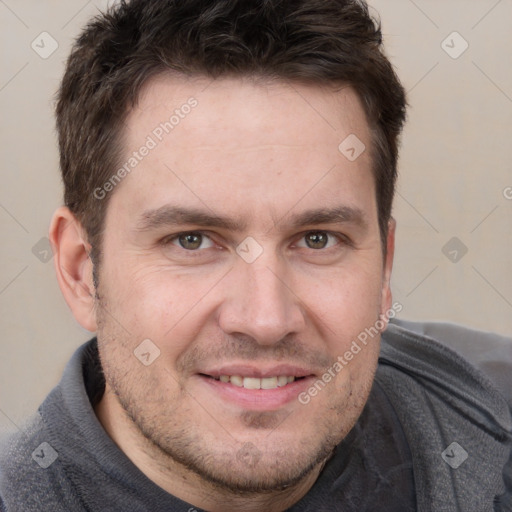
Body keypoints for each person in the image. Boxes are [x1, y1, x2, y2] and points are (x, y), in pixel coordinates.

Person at [0, 0, 510, 510]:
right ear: (81, 272)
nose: (266, 320)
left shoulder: (496, 406)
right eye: (192, 240)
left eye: (317, 239)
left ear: (384, 268)